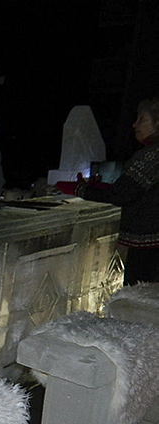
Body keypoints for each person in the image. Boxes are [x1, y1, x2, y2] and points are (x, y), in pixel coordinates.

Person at [76, 97, 159, 285]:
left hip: (149, 246)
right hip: (150, 245)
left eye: (141, 119)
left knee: (139, 298)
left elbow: (123, 194)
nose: (134, 125)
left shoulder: (151, 155)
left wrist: (81, 190)